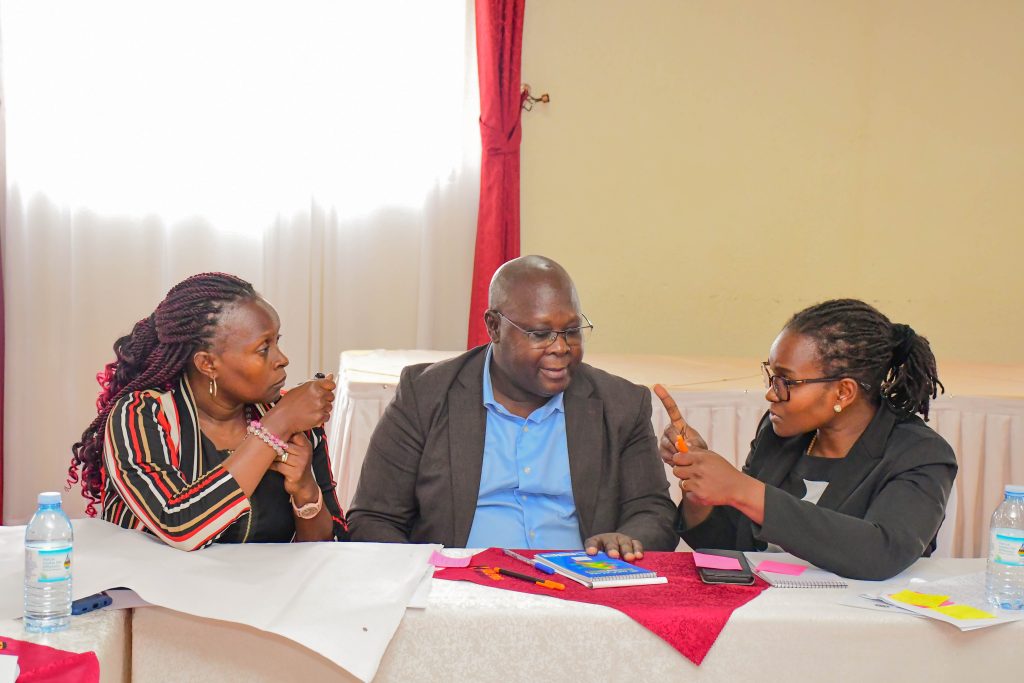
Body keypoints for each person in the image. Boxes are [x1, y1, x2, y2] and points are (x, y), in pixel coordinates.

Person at [348, 256, 677, 558]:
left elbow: (653, 511)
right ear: (494, 327)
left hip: (580, 590)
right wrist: (424, 578)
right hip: (459, 593)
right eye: (540, 333)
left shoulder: (620, 404)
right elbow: (373, 518)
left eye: (572, 331)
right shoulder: (426, 395)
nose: (561, 348)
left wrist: (627, 540)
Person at [657, 299, 957, 580]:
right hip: (766, 616)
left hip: (860, 626)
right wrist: (701, 489)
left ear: (843, 392)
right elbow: (732, 546)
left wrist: (743, 490)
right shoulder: (782, 435)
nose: (772, 393)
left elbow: (882, 551)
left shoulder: (920, 454)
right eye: (771, 376)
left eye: (786, 381)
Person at [68, 273, 347, 550]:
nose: (282, 359)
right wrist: (275, 427)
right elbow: (179, 525)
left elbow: (328, 547)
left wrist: (306, 491)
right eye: (264, 348)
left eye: (277, 341)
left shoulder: (291, 419)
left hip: (259, 591)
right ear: (207, 364)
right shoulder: (142, 416)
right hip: (154, 592)